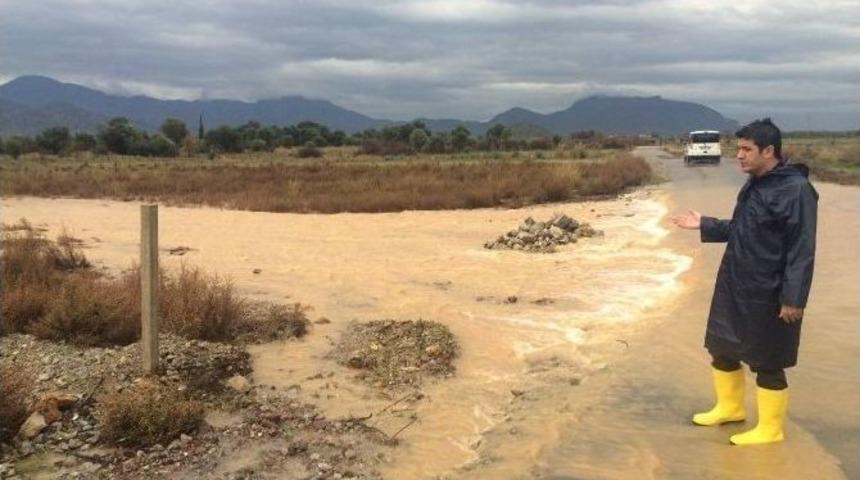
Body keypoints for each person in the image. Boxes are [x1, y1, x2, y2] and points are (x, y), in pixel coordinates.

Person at [672, 118, 817, 445]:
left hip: (770, 290)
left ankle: (771, 429)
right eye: (738, 148)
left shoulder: (796, 190)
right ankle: (730, 408)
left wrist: (793, 298)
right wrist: (704, 224)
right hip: (735, 283)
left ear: (768, 151)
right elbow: (743, 229)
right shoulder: (755, 183)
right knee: (721, 347)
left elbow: (802, 248)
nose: (738, 155)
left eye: (746, 149)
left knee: (768, 360)